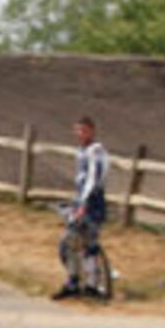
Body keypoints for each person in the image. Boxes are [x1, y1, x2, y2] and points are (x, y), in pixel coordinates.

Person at [53, 114, 110, 299]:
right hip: (82, 200)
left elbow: (94, 179)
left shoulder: (95, 151)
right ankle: (77, 282)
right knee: (73, 244)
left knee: (82, 243)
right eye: (78, 129)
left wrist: (84, 203)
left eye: (84, 130)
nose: (80, 133)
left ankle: (88, 285)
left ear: (92, 131)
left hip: (92, 203)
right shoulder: (82, 151)